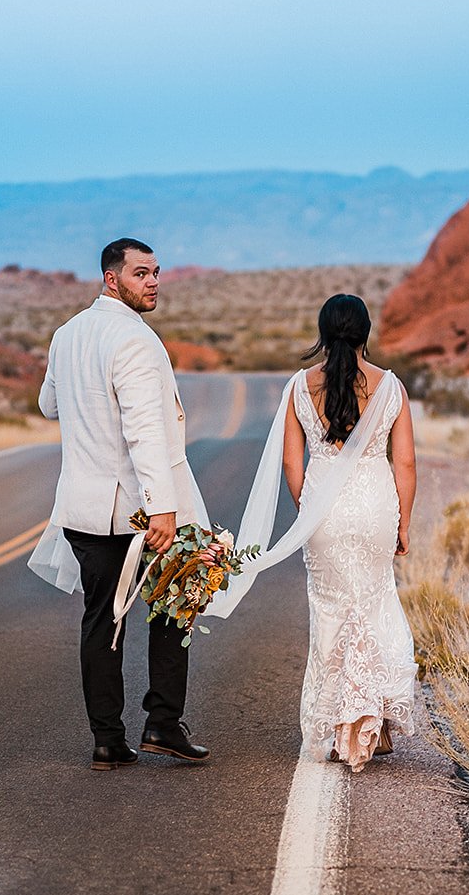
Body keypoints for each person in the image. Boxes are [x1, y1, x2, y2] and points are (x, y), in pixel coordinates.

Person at [207, 294, 418, 771]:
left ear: (323, 333)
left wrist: (309, 508)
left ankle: (344, 725)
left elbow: (291, 462)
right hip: (375, 506)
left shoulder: (300, 386)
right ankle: (372, 725)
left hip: (323, 509)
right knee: (374, 603)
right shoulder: (391, 387)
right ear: (365, 332)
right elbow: (404, 463)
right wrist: (403, 521)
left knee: (332, 612)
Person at [27, 238, 212, 771]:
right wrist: (162, 506)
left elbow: (48, 405)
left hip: (81, 507)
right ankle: (163, 724)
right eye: (140, 274)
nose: (153, 283)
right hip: (134, 509)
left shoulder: (66, 334)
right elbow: (143, 430)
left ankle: (107, 740)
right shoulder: (135, 339)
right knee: (175, 605)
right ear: (112, 279)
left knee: (101, 621)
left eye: (156, 273)